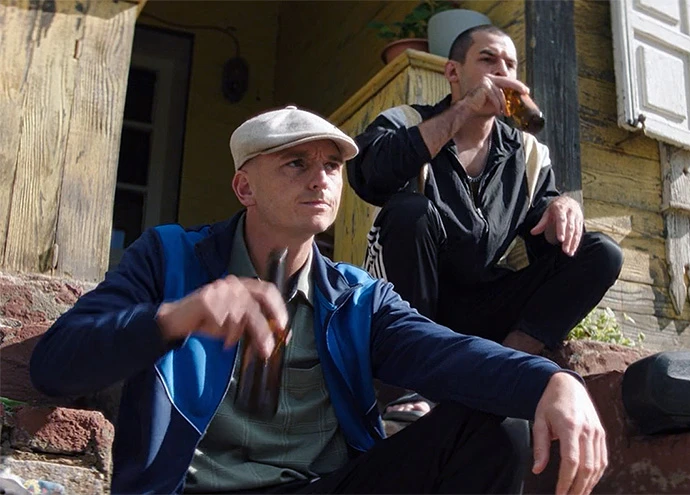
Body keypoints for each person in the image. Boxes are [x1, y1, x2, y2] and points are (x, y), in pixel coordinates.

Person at [28, 105, 607, 495]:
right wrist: (179, 316)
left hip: (325, 488)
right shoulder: (168, 257)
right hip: (193, 488)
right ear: (245, 186)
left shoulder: (357, 297)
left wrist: (550, 382)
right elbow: (54, 366)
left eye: (332, 165)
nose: (321, 179)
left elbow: (446, 355)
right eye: (296, 163)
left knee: (495, 429)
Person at [347, 25, 624, 419]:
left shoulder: (527, 151)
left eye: (510, 64)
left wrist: (563, 207)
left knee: (601, 252)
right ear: (453, 72)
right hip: (411, 304)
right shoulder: (405, 121)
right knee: (411, 211)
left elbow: (541, 230)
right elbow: (368, 176)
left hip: (484, 306)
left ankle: (501, 368)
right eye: (488, 59)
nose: (502, 71)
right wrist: (463, 110)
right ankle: (409, 385)